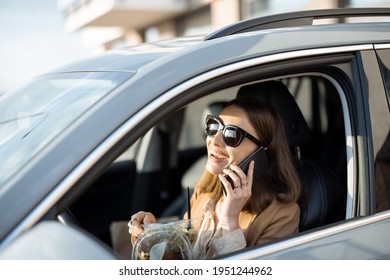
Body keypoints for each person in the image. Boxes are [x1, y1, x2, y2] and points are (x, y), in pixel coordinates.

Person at [128, 98, 302, 259]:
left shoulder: (282, 215)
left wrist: (229, 222)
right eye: (214, 127)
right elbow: (183, 259)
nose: (214, 140)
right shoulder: (205, 190)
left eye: (231, 135)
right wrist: (152, 238)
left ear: (261, 153)